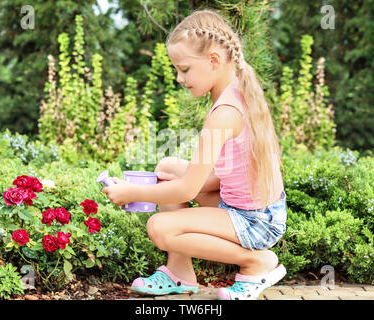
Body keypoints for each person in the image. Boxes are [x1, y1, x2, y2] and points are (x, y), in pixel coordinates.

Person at [102, 9, 287, 300]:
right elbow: (228, 173)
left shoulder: (225, 113)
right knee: (167, 168)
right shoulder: (237, 92)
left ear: (213, 60)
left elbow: (188, 188)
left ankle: (257, 263)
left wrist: (131, 192)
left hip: (255, 221)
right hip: (253, 208)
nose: (179, 77)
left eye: (185, 69)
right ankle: (180, 272)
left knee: (160, 229)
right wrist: (161, 183)